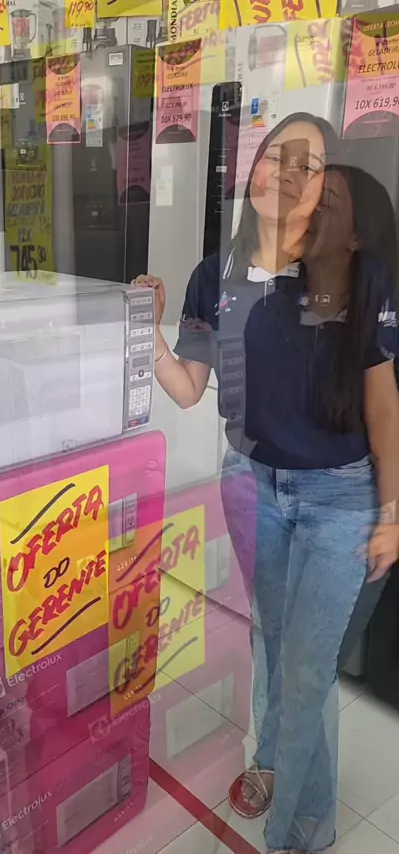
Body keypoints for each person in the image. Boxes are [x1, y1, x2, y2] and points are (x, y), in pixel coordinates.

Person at [132, 112, 399, 854]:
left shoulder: (360, 275)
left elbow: (384, 403)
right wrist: (148, 329)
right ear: (252, 167)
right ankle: (274, 760)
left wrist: (392, 509)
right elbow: (189, 388)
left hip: (339, 498)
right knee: (272, 641)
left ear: (327, 186)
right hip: (251, 486)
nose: (285, 174)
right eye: (275, 157)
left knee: (309, 671)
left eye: (306, 165)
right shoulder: (213, 275)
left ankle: (300, 832)